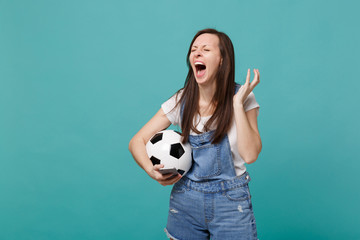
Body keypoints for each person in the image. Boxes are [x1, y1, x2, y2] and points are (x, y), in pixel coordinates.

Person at [129, 28, 261, 240]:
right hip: (186, 201)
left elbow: (251, 155)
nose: (197, 53)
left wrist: (237, 104)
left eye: (206, 49)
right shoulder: (182, 100)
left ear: (221, 60)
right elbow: (137, 141)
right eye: (193, 50)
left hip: (231, 202)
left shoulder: (243, 97)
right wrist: (151, 171)